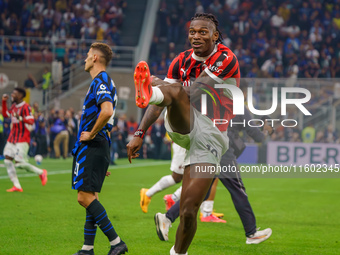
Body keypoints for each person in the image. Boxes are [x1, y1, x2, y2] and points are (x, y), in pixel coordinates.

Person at [127, 13, 239, 255]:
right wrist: (139, 131)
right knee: (171, 91)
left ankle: (178, 252)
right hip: (185, 125)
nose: (196, 36)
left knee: (188, 210)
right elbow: (165, 101)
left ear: (215, 35)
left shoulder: (225, 58)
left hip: (211, 135)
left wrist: (158, 84)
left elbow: (194, 92)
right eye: (192, 32)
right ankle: (152, 90)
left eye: (202, 32)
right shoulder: (180, 60)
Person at [155, 107, 273, 244]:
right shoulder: (238, 105)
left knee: (202, 193)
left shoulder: (215, 101)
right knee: (238, 190)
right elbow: (255, 134)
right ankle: (252, 233)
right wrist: (267, 131)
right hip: (224, 152)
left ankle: (167, 218)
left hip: (207, 147)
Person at [72, 42, 127, 255]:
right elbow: (109, 120)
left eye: (87, 55)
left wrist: (92, 134)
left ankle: (116, 242)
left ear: (95, 58)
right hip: (99, 147)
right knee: (91, 195)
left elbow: (107, 111)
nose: (85, 59)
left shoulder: (101, 80)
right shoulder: (103, 82)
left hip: (93, 144)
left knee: (84, 198)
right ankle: (87, 249)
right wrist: (103, 157)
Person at [2, 88, 48, 192]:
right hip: (12, 138)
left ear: (21, 96)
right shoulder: (13, 106)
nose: (12, 95)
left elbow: (31, 121)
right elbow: (6, 115)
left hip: (22, 139)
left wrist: (20, 118)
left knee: (19, 164)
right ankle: (17, 186)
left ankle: (41, 172)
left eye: (15, 93)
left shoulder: (26, 107)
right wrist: (4, 102)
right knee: (7, 160)